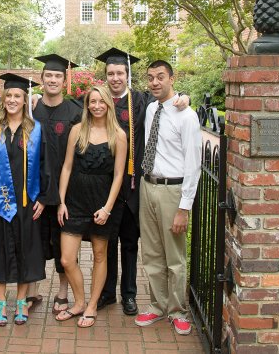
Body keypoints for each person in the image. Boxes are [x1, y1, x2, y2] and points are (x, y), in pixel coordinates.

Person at [94, 47, 190, 316]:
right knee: (107, 240)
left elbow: (169, 100)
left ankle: (129, 295)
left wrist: (184, 97)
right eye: (110, 73)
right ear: (105, 76)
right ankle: (106, 292)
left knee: (130, 241)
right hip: (105, 184)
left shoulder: (142, 101)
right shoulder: (97, 101)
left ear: (128, 75)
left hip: (135, 184)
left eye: (120, 73)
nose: (115, 78)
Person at [0, 73, 59, 326]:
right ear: (3, 99)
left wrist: (44, 198)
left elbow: (45, 165)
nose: (12, 100)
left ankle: (21, 302)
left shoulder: (37, 130)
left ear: (25, 99)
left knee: (25, 251)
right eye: (9, 96)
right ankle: (0, 302)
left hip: (28, 204)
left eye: (17, 96)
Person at [134, 60, 202, 336]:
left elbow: (194, 163)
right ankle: (156, 305)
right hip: (147, 185)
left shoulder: (187, 116)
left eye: (160, 77)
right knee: (151, 252)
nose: (154, 82)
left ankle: (177, 310)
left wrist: (184, 207)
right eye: (150, 78)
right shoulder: (151, 108)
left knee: (174, 255)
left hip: (172, 190)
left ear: (172, 78)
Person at [56, 85, 126, 328]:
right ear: (87, 105)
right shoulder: (77, 130)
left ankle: (92, 306)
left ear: (109, 104)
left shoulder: (119, 135)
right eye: (92, 102)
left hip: (102, 201)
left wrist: (107, 208)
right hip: (75, 200)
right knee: (66, 259)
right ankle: (79, 302)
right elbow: (66, 167)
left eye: (101, 102)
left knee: (99, 255)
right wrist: (61, 202)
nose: (96, 106)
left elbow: (119, 175)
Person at [30, 54, 83, 315]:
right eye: (48, 76)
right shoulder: (30, 109)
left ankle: (62, 292)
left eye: (57, 76)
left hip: (66, 192)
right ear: (41, 80)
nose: (52, 80)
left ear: (64, 80)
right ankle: (31, 292)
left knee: (64, 246)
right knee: (32, 241)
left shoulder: (75, 112)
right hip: (34, 190)